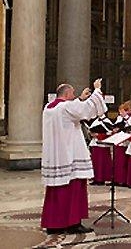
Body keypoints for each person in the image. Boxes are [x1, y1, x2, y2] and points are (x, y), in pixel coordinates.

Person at [41, 79, 107, 235]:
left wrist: (82, 99)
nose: (74, 96)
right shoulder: (66, 107)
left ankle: (53, 224)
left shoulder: (49, 107)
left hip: (56, 155)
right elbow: (86, 111)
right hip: (70, 155)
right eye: (72, 94)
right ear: (67, 94)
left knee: (55, 192)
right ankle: (73, 223)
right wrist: (97, 90)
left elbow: (75, 109)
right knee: (73, 189)